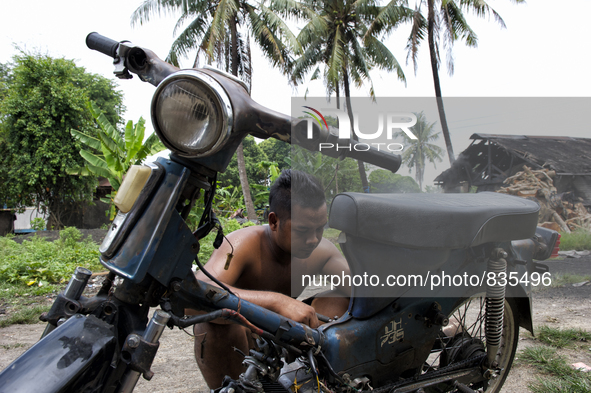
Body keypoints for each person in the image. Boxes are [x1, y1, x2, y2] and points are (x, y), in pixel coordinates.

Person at [192, 169, 350, 388]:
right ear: (274, 221)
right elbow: (197, 293)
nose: (313, 239)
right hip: (243, 344)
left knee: (342, 301)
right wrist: (277, 302)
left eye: (320, 229)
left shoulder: (323, 251)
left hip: (286, 344)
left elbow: (361, 291)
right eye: (303, 230)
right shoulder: (242, 244)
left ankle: (319, 383)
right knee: (214, 322)